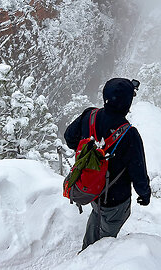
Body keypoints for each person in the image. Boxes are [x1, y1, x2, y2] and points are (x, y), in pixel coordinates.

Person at [64, 78, 151, 251]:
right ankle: (97, 260)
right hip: (116, 198)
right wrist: (145, 194)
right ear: (127, 103)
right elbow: (138, 173)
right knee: (105, 244)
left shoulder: (89, 116)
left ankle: (85, 253)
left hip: (92, 190)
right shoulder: (129, 134)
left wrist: (89, 150)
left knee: (96, 215)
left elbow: (69, 138)